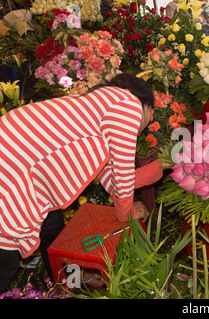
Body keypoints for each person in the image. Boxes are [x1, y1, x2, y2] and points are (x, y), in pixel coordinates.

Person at [0, 73, 164, 293]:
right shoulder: (129, 106)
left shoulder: (104, 104)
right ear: (146, 106)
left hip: (16, 157)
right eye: (151, 114)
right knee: (4, 263)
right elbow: (122, 179)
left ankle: (69, 284)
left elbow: (111, 178)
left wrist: (149, 174)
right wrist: (129, 213)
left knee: (53, 228)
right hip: (12, 167)